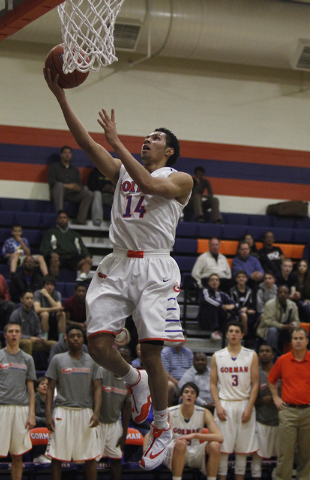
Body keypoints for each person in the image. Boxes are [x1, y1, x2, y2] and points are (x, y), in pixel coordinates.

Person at [44, 67, 193, 471]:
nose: (148, 140)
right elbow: (84, 143)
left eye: (156, 138)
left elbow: (148, 185)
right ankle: (134, 381)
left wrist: (118, 145)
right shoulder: (123, 168)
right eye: (145, 136)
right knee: (97, 346)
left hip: (157, 267)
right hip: (119, 261)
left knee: (150, 350)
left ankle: (161, 427)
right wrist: (61, 98)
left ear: (169, 151)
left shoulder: (180, 178)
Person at [45, 325, 102, 480]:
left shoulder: (92, 360)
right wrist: (48, 415)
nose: (75, 338)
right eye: (72, 336)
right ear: (66, 338)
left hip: (86, 412)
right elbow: (50, 389)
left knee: (90, 456)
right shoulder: (57, 359)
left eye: (78, 336)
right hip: (62, 411)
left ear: (83, 339)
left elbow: (97, 389)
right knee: (57, 455)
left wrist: (96, 412)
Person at [210, 321, 259, 480]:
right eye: (230, 331)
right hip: (225, 403)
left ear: (242, 335)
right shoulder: (217, 356)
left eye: (237, 331)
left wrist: (249, 407)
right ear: (226, 334)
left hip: (244, 403)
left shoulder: (251, 355)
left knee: (242, 451)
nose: (233, 334)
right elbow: (212, 383)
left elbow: (256, 383)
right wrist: (217, 405)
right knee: (223, 449)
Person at [268, 327, 310, 480]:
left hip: (308, 411)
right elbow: (271, 380)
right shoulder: (282, 360)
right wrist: (276, 398)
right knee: (286, 452)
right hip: (288, 411)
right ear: (291, 341)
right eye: (295, 339)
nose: (298, 341)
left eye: (301, 338)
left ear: (307, 341)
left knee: (307, 453)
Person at [163, 382, 223, 479]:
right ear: (181, 396)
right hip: (175, 449)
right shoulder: (169, 412)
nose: (189, 394)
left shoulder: (204, 412)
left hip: (195, 450)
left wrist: (195, 435)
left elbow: (219, 437)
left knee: (215, 445)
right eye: (186, 392)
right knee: (181, 444)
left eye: (192, 393)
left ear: (196, 398)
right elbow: (151, 435)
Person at [0, 321, 36, 480]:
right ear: (5, 335)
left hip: (21, 409)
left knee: (17, 455)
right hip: (2, 408)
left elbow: (30, 390)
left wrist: (32, 414)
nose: (13, 334)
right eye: (10, 331)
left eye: (16, 331)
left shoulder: (28, 359)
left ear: (21, 335)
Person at [97, 346, 132, 480]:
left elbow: (127, 408)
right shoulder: (102, 372)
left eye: (125, 357)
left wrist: (125, 433)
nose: (122, 359)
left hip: (114, 423)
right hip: (97, 422)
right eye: (120, 355)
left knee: (117, 457)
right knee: (91, 459)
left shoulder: (130, 380)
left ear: (129, 360)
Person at [251, 344, 279, 480]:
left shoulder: (281, 372)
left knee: (281, 456)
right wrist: (263, 400)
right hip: (260, 419)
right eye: (261, 351)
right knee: (257, 456)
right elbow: (249, 400)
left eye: (268, 351)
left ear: (273, 355)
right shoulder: (255, 373)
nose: (264, 353)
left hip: (279, 421)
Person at [40, 210, 93, 281]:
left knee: (88, 261)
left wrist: (87, 256)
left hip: (73, 258)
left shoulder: (74, 234)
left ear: (68, 220)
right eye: (60, 218)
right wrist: (51, 253)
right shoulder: (51, 232)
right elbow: (44, 248)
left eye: (64, 218)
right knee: (54, 260)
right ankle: (54, 280)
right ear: (57, 220)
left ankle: (81, 279)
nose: (62, 219)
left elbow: (82, 248)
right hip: (59, 257)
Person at [47, 145, 94, 225]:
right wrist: (68, 186)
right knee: (59, 186)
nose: (67, 155)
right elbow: (52, 182)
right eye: (65, 153)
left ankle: (80, 220)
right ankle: (60, 215)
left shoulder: (75, 169)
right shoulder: (54, 167)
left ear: (71, 155)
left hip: (71, 194)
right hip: (58, 192)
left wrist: (76, 187)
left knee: (88, 193)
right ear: (61, 154)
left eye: (69, 153)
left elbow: (79, 183)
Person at [9, 290, 56, 357]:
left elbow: (38, 332)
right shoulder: (16, 314)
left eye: (31, 298)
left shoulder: (34, 315)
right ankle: (27, 367)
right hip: (17, 341)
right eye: (27, 298)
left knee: (54, 344)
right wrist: (30, 338)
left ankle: (52, 366)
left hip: (33, 342)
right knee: (28, 343)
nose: (30, 300)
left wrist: (41, 338)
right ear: (21, 300)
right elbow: (13, 333)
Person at [256, 285, 299, 355]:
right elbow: (268, 321)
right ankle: (272, 355)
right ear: (277, 294)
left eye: (285, 293)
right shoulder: (269, 304)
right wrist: (283, 326)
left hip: (286, 330)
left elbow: (296, 321)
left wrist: (293, 325)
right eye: (280, 292)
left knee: (299, 332)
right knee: (273, 330)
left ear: (288, 295)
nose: (283, 294)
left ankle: (295, 356)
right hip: (268, 330)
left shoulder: (292, 305)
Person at [197, 273, 237, 342]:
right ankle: (215, 331)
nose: (214, 282)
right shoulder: (205, 291)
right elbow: (208, 300)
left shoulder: (222, 294)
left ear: (219, 283)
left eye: (216, 280)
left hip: (218, 319)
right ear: (209, 282)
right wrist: (222, 306)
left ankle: (229, 331)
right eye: (212, 280)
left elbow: (232, 302)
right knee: (212, 307)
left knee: (230, 311)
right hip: (205, 319)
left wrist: (232, 306)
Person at [33, 275, 66, 340]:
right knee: (45, 314)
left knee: (62, 314)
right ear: (43, 286)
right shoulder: (37, 293)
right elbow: (37, 309)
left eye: (52, 285)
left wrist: (48, 296)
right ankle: (44, 338)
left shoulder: (57, 294)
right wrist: (54, 309)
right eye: (47, 284)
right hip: (40, 317)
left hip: (53, 318)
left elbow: (59, 308)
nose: (50, 287)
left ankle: (61, 339)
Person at [161, 342, 194, 407]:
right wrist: (179, 384)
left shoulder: (189, 353)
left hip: (187, 382)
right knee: (169, 385)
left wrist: (186, 384)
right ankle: (168, 412)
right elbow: (164, 373)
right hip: (174, 383)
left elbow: (192, 370)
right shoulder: (165, 352)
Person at [229, 270, 256, 337]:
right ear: (236, 279)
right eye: (239, 277)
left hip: (248, 312)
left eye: (243, 277)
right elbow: (231, 304)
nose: (241, 278)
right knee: (243, 315)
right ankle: (245, 337)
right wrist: (240, 309)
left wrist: (247, 309)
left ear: (246, 279)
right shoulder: (232, 291)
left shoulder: (250, 291)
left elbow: (252, 305)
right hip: (235, 312)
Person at [32, 377, 51, 464]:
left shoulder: (52, 399)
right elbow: (31, 417)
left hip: (48, 423)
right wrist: (45, 420)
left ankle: (51, 454)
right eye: (42, 384)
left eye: (47, 384)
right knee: (40, 426)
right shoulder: (33, 398)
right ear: (36, 387)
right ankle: (38, 456)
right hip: (36, 424)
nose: (45, 386)